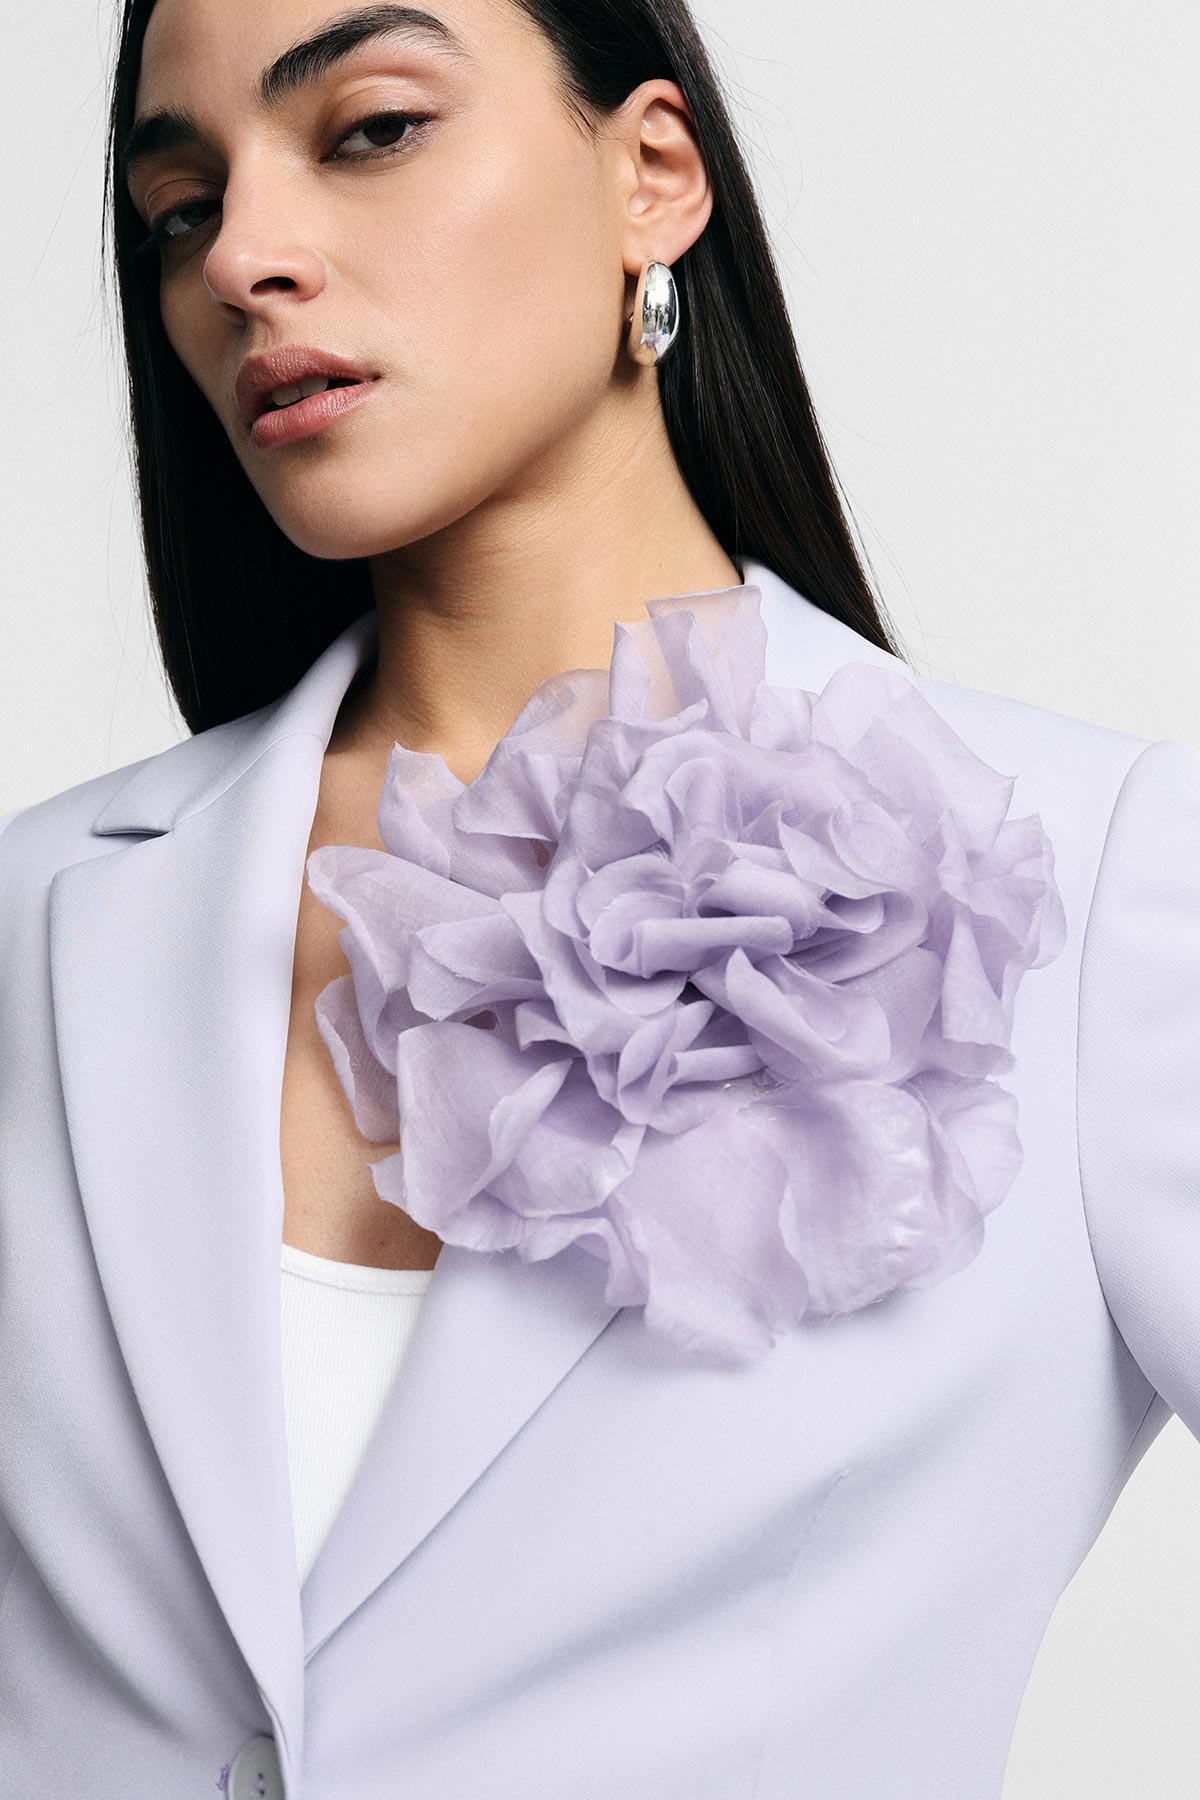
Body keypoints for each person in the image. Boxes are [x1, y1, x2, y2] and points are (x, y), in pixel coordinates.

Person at [1, 0, 1196, 1795]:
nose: (244, 257)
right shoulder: (36, 927)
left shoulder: (1101, 881)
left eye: (370, 127)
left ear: (651, 176)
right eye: (180, 209)